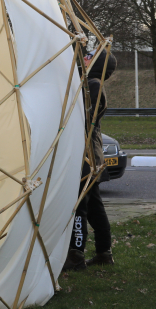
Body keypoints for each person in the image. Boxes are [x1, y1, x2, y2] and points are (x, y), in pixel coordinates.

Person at [64, 47, 118, 270]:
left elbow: (83, 118)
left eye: (89, 58)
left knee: (80, 207)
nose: (84, 60)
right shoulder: (93, 85)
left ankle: (76, 255)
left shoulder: (93, 86)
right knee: (95, 206)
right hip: (91, 155)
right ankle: (104, 253)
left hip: (85, 156)